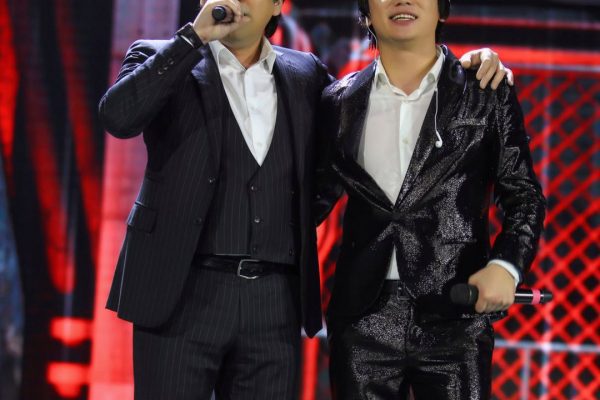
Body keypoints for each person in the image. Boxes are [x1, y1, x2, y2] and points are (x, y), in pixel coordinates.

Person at [99, 0, 513, 398]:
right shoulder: (161, 57)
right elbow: (118, 118)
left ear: (277, 5)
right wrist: (193, 39)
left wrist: (462, 70)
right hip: (179, 291)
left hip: (273, 301)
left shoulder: (305, 74)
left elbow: (372, 108)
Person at [318, 0, 546, 399]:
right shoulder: (338, 101)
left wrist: (507, 266)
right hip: (361, 318)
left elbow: (524, 195)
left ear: (442, 10)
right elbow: (311, 199)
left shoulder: (486, 90)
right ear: (366, 13)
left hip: (455, 311)